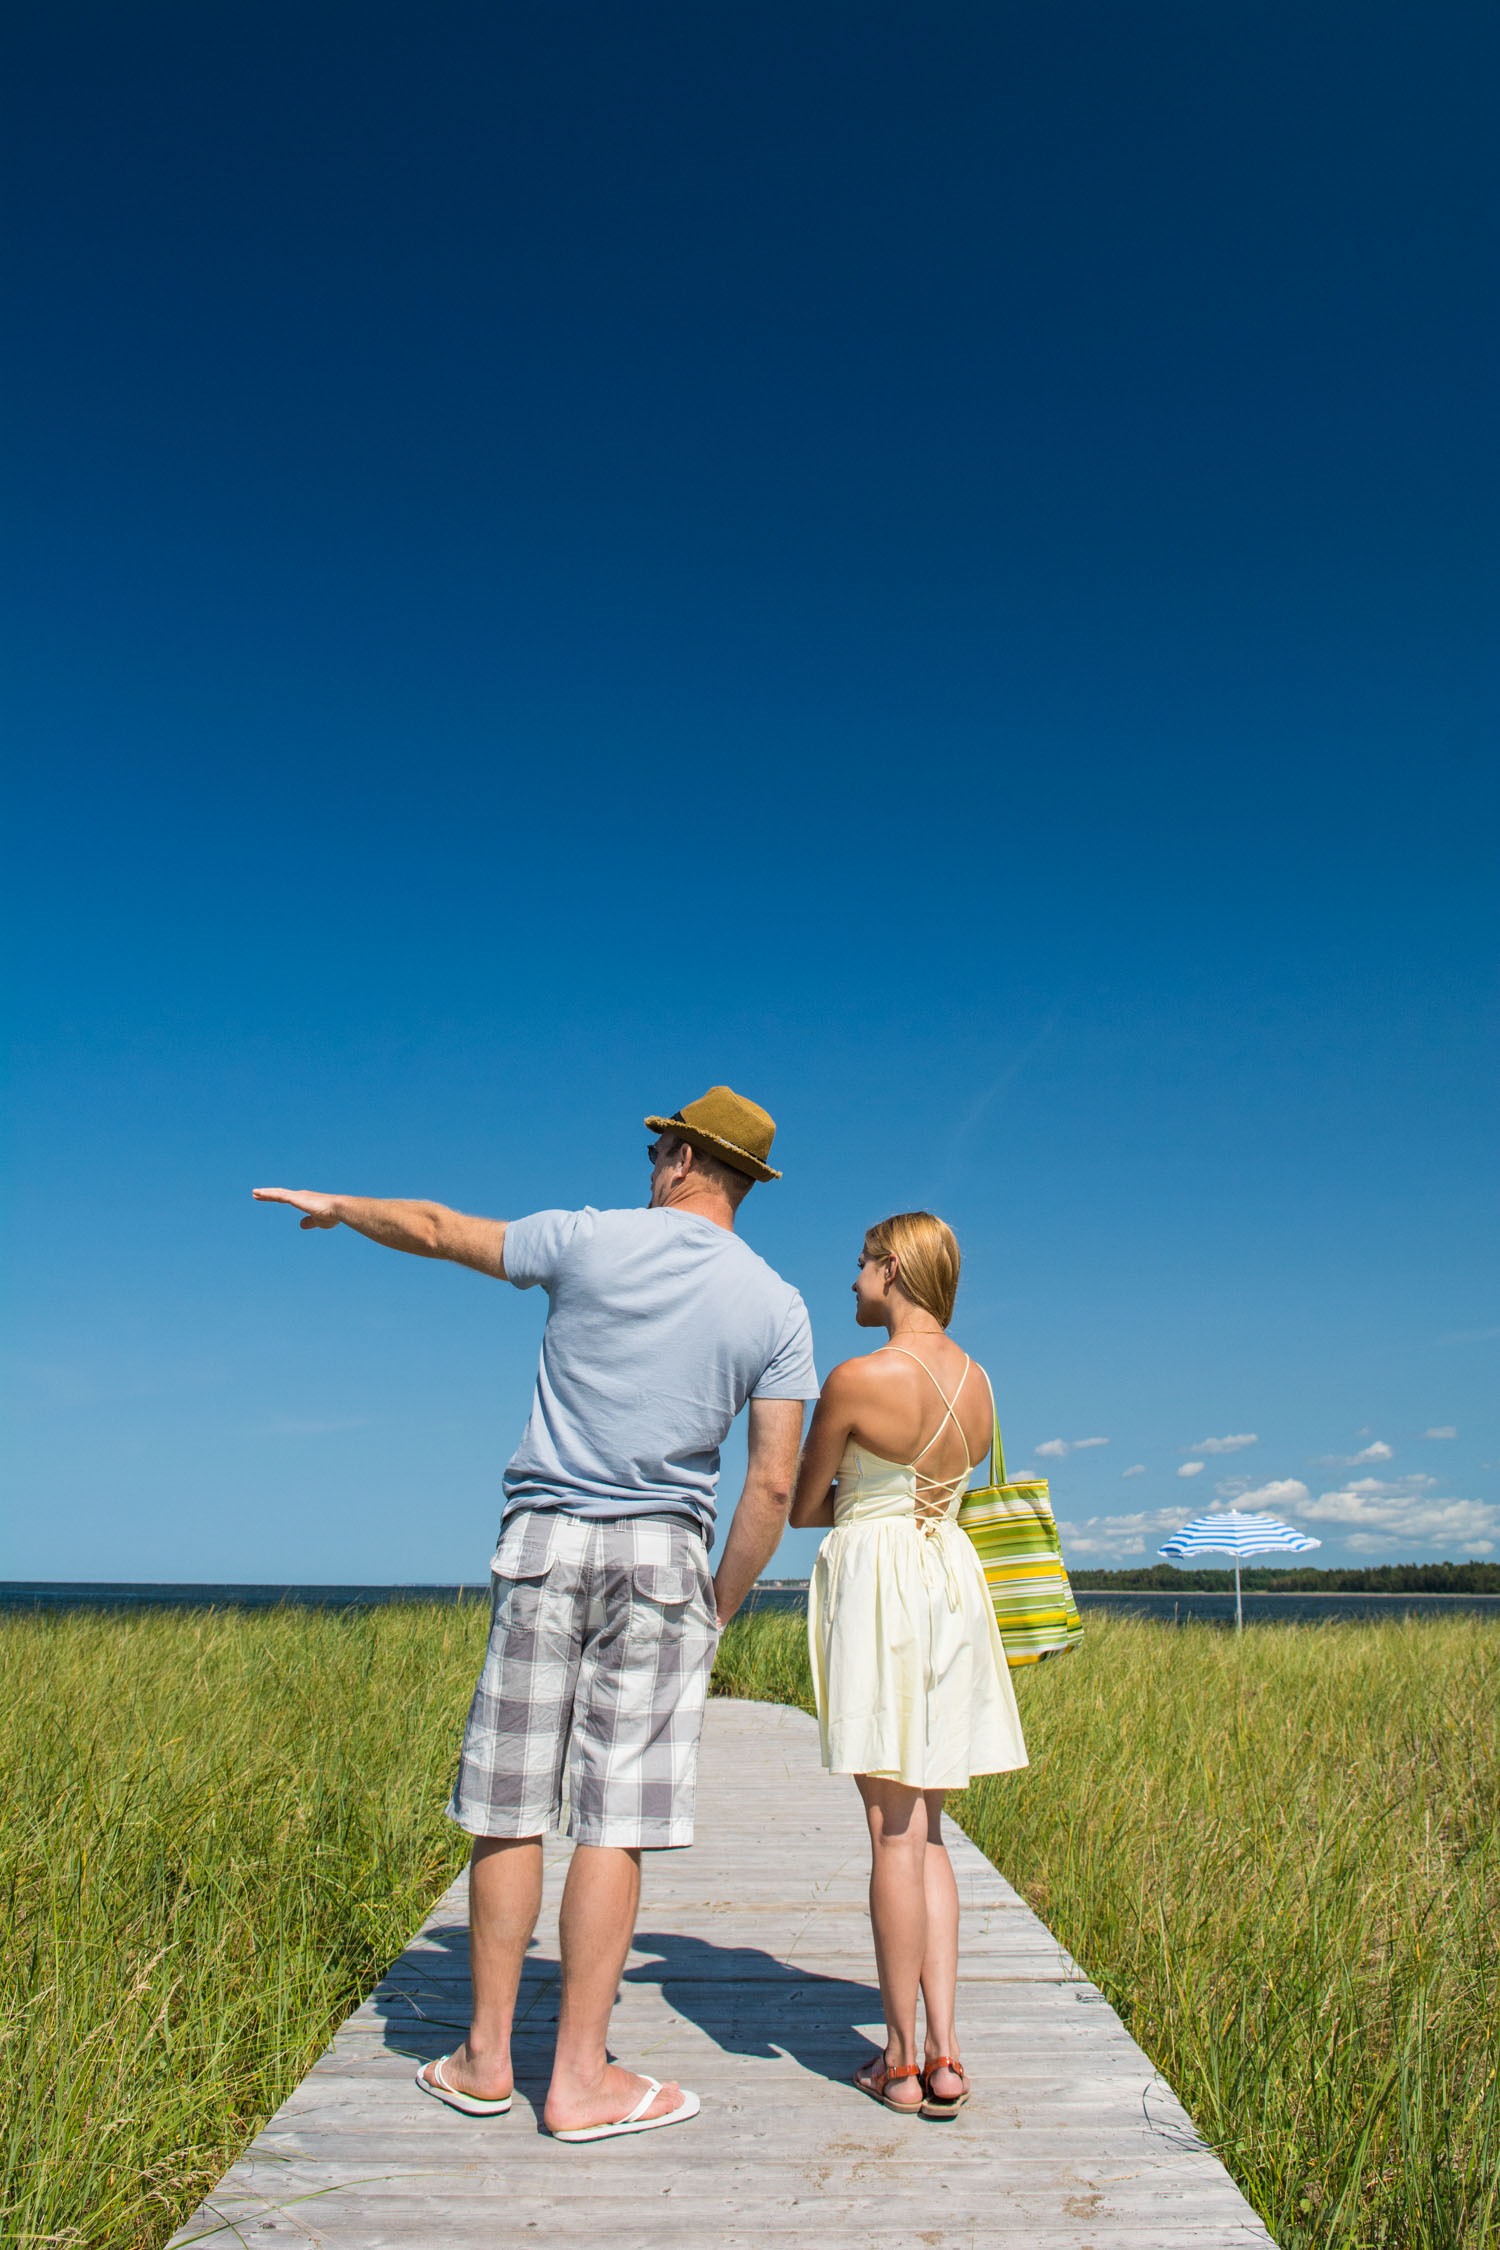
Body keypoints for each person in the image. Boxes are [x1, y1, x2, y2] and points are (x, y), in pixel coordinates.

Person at [254, 1085, 816, 2141]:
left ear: (688, 1158)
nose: (650, 1159)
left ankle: (482, 2057)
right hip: (663, 1561)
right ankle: (579, 2079)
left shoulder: (587, 1241)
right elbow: (774, 1486)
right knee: (616, 1822)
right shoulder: (778, 1307)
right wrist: (717, 1610)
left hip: (545, 1541)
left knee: (508, 1802)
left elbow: (433, 1227)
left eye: (659, 1145)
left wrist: (338, 1206)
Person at [788, 1211, 1026, 2119]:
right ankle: (949, 2053)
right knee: (928, 1830)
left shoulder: (856, 1377)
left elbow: (810, 1503)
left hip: (884, 1583)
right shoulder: (980, 1383)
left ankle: (896, 2060)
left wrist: (857, 1488)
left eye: (859, 1265)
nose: (851, 1281)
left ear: (893, 1269)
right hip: (951, 1586)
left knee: (890, 1831)